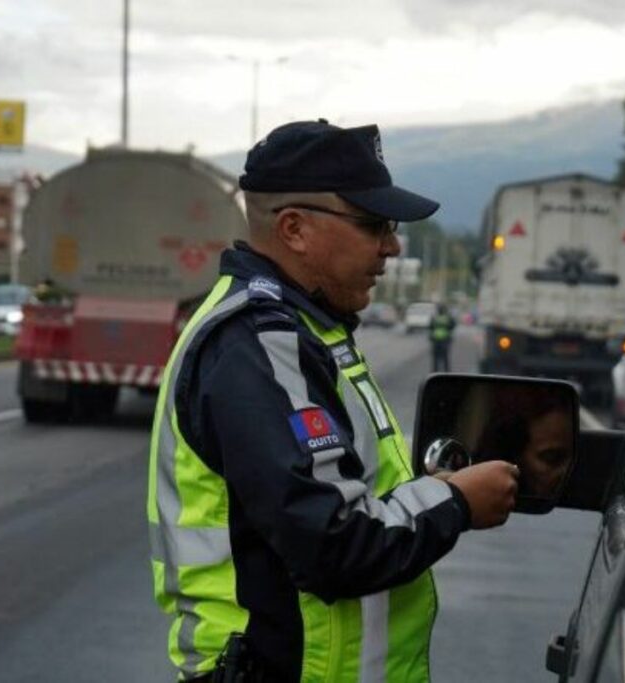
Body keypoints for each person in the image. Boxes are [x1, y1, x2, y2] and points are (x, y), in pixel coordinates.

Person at [147, 119, 519, 683]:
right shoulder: (261, 341)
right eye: (374, 224)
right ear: (294, 228)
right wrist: (456, 502)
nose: (392, 246)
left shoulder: (305, 331)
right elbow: (333, 542)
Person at [428, 303, 456, 372]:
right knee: (445, 358)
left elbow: (430, 327)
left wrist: (431, 337)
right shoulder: (448, 317)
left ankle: (434, 372)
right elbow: (452, 326)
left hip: (436, 340)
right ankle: (447, 372)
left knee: (435, 358)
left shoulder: (434, 317)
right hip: (445, 340)